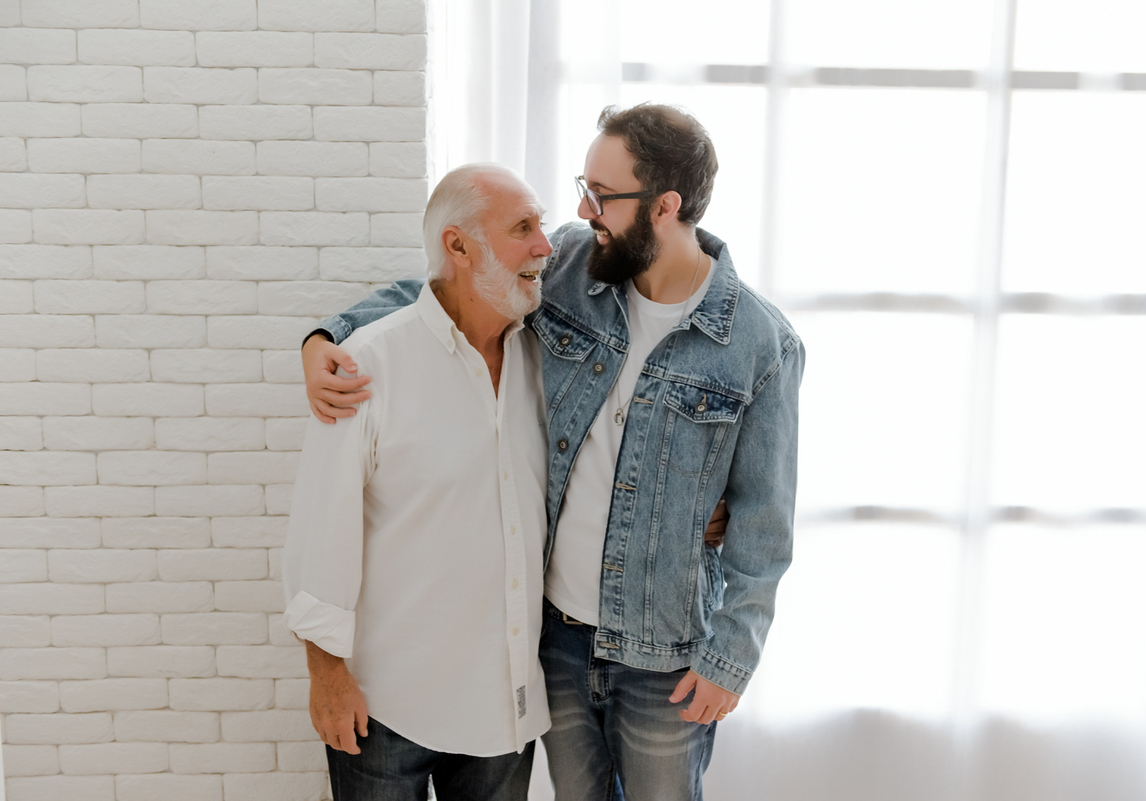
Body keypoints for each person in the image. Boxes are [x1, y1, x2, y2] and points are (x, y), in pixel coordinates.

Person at [302, 104, 804, 801]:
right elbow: (443, 285)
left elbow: (763, 523)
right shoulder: (573, 266)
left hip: (665, 655)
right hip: (559, 641)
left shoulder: (760, 344)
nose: (579, 208)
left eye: (601, 195)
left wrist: (732, 656)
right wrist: (329, 335)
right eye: (582, 185)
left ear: (665, 206)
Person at [283, 163, 554, 801]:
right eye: (523, 228)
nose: (546, 245)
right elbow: (321, 532)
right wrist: (326, 675)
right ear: (457, 246)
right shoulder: (366, 366)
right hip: (385, 706)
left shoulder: (549, 363)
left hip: (505, 704)